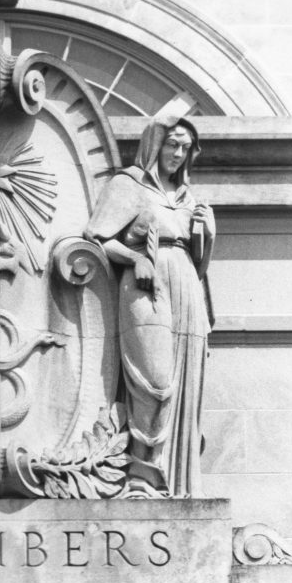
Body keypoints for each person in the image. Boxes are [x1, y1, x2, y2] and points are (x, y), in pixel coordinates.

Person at [86, 114, 215, 497]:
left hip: (187, 286)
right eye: (172, 144)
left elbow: (199, 262)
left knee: (183, 384)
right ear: (155, 144)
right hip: (145, 284)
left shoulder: (187, 198)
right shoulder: (129, 184)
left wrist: (207, 234)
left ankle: (172, 483)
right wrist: (135, 258)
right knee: (155, 382)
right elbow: (97, 237)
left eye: (185, 147)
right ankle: (140, 475)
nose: (178, 153)